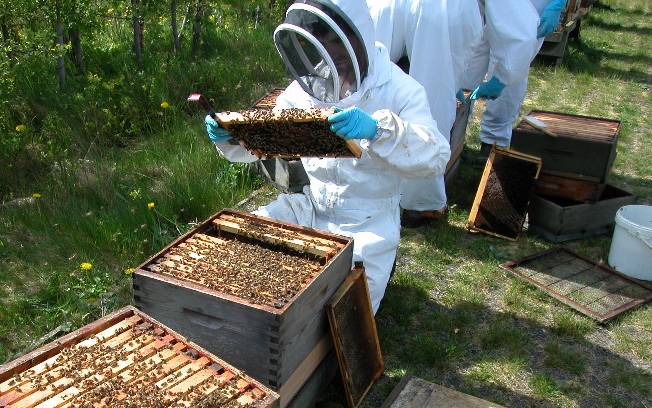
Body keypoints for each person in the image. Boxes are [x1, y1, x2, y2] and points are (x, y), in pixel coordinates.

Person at [204, 0, 450, 313]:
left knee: (344, 311)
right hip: (312, 207)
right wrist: (233, 137)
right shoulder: (307, 87)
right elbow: (273, 140)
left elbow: (434, 156)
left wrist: (378, 130)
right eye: (320, 42)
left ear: (356, 37)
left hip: (369, 223)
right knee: (250, 240)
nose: (329, 52)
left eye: (335, 41)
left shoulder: (401, 89)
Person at [368, 0, 483, 227]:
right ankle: (421, 204)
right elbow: (517, 29)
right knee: (433, 99)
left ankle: (368, 190)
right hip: (445, 7)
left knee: (372, 81)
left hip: (383, 4)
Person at [460, 0, 568, 165]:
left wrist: (558, 3)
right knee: (465, 64)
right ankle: (453, 135)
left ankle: (492, 143)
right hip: (482, 9)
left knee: (512, 66)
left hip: (534, 6)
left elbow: (518, 51)